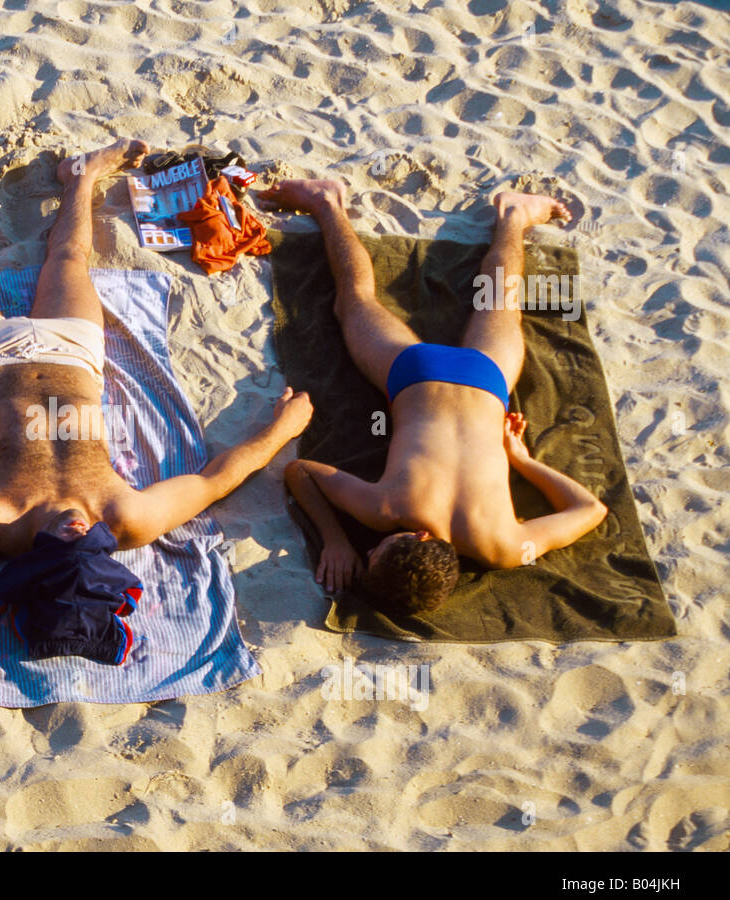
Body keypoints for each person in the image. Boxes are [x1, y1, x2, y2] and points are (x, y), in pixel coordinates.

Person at [0, 129, 312, 660]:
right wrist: (282, 430)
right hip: (73, 354)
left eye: (63, 546)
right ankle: (83, 176)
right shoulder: (125, 518)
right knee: (69, 260)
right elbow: (215, 480)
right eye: (90, 546)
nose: (76, 530)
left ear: (30, 564)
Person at [258, 179, 607, 613]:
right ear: (420, 537)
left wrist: (522, 460)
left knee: (499, 300)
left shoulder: (503, 546)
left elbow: (590, 510)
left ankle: (515, 217)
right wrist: (336, 541)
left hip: (488, 381)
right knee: (353, 300)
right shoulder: (387, 509)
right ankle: (326, 203)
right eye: (378, 553)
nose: (369, 551)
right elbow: (300, 471)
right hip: (414, 378)